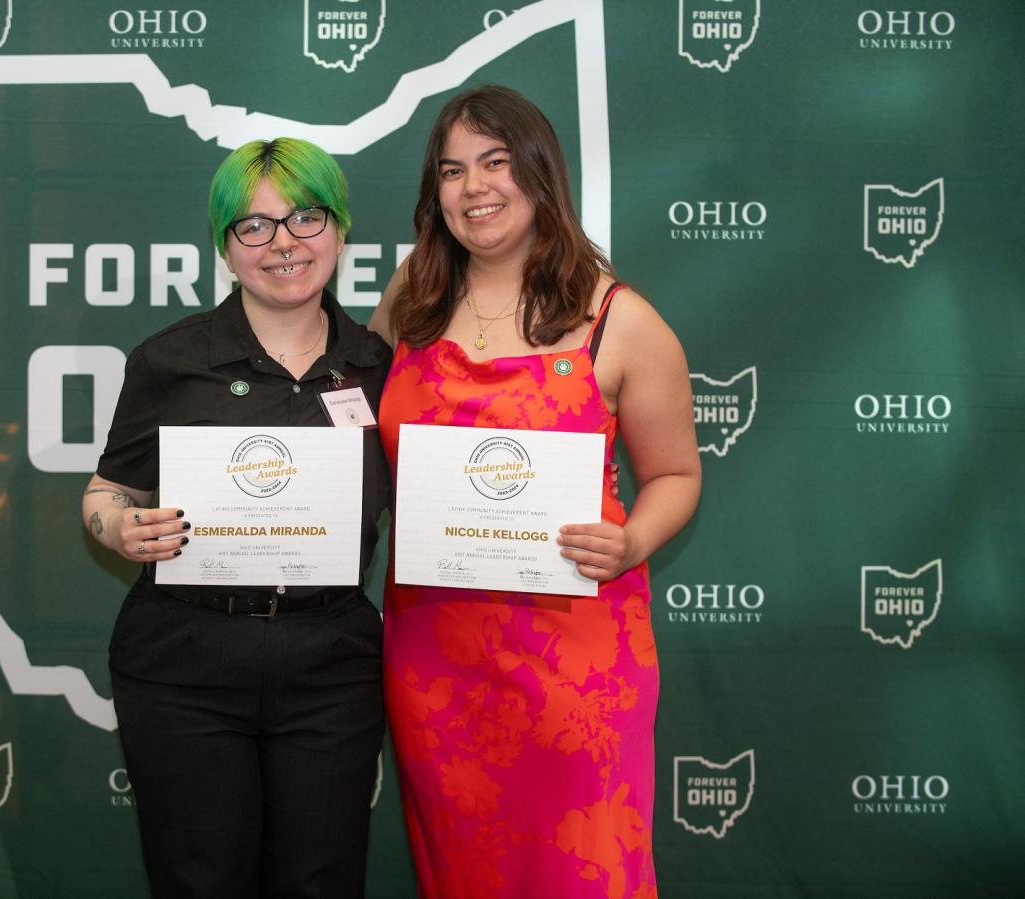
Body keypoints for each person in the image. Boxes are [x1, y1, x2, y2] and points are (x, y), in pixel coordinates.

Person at [370, 85, 701, 897]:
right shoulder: (410, 299)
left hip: (576, 664)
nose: (473, 187)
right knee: (459, 867)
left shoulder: (618, 320)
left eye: (495, 162)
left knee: (578, 869)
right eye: (452, 170)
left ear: (540, 173)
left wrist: (631, 541)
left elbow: (677, 475)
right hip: (432, 657)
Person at [82, 138, 391, 898]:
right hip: (184, 663)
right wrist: (121, 527)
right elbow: (104, 491)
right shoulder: (169, 360)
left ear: (341, 228)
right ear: (225, 247)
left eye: (306, 217)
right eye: (253, 227)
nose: (283, 243)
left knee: (323, 880)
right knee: (200, 881)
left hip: (331, 664)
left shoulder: (382, 366)